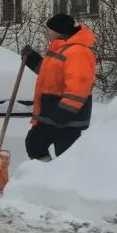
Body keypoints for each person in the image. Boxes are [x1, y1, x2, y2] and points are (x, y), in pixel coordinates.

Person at [20, 13, 96, 162]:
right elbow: (51, 75)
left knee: (66, 156)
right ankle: (46, 176)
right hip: (49, 114)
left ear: (59, 31)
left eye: (48, 29)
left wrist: (64, 112)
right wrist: (33, 60)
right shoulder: (59, 49)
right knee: (34, 144)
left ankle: (64, 182)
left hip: (67, 117)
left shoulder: (78, 52)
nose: (46, 32)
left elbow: (79, 86)